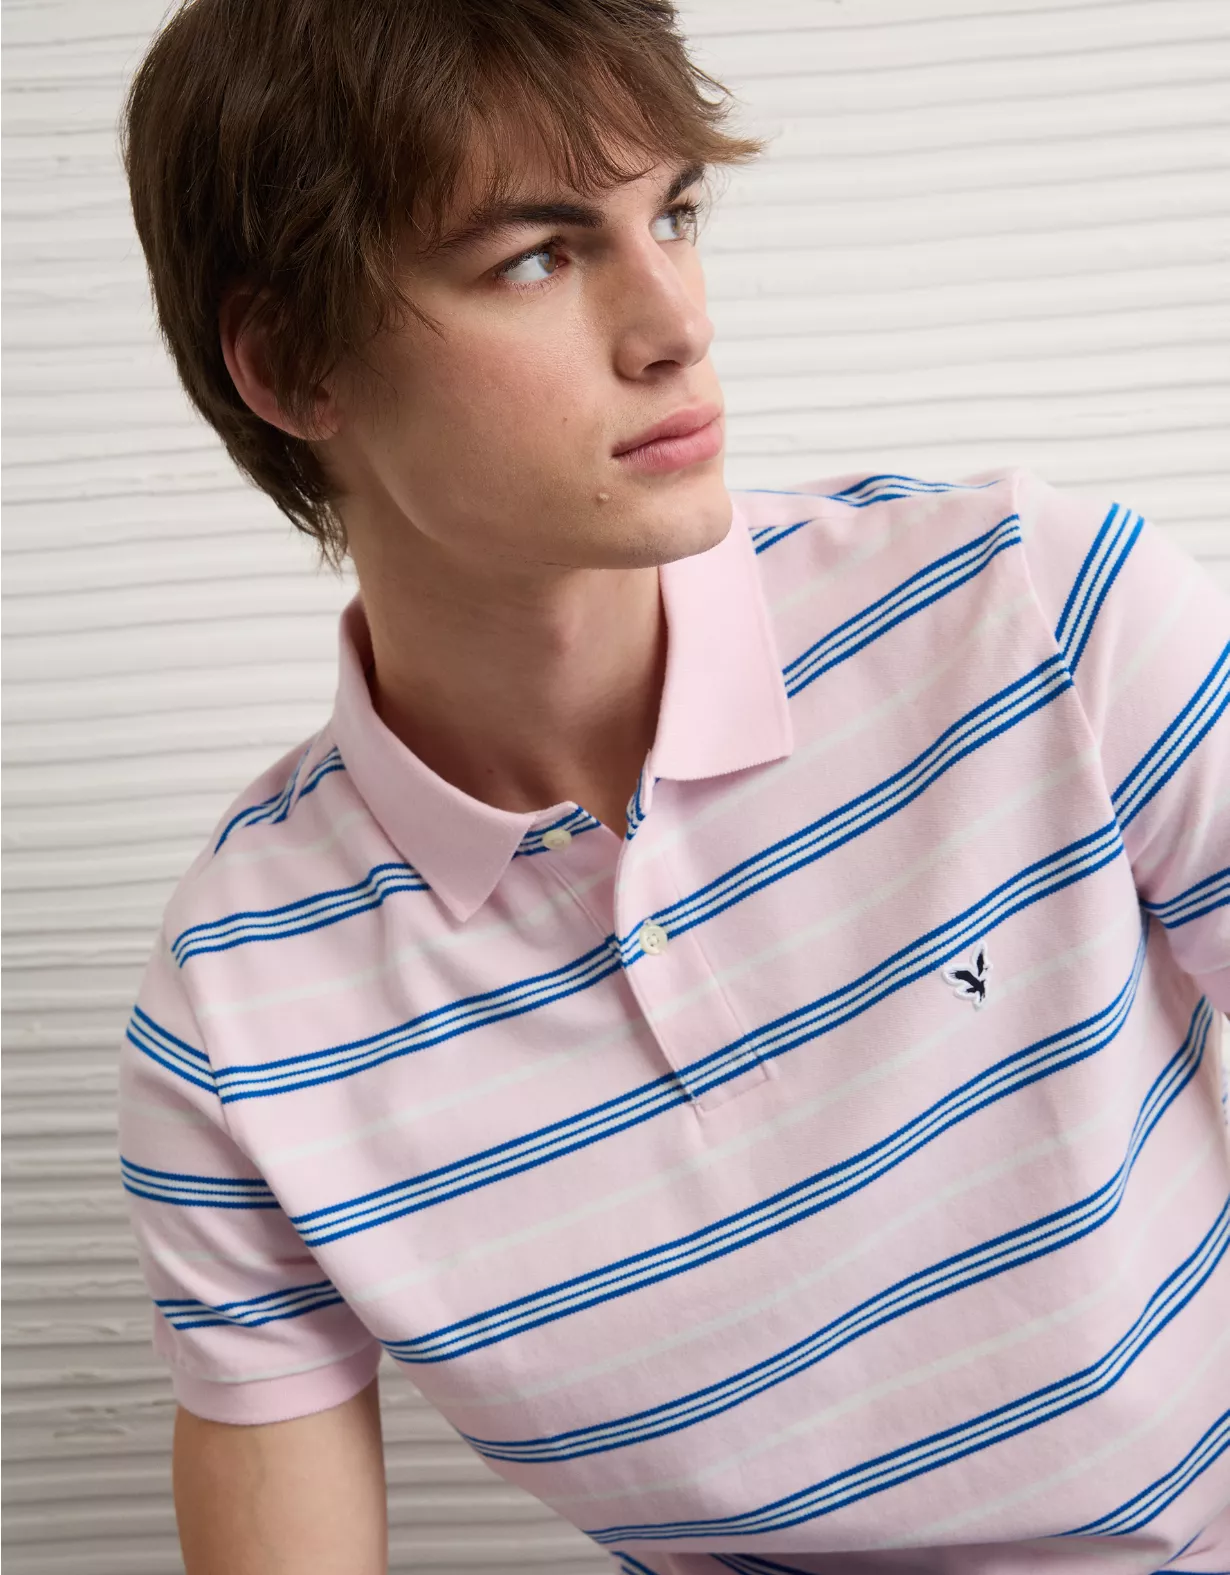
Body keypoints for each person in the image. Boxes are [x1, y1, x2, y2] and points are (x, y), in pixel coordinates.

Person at [115, 1, 1230, 1571]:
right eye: (536, 257)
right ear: (293, 365)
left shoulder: (1037, 605)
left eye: (674, 215)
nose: (675, 325)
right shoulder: (237, 1014)